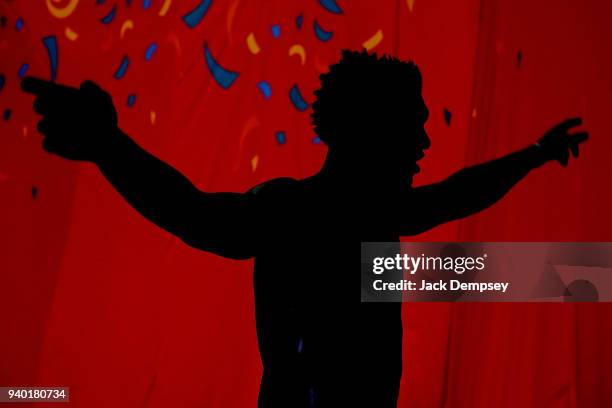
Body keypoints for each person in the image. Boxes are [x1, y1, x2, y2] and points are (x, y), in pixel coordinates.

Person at [22, 49, 588, 407]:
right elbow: (190, 213)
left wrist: (109, 147)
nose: (423, 145)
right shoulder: (316, 217)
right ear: (368, 132)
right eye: (410, 129)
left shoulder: (350, 224)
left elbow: (190, 213)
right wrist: (109, 146)